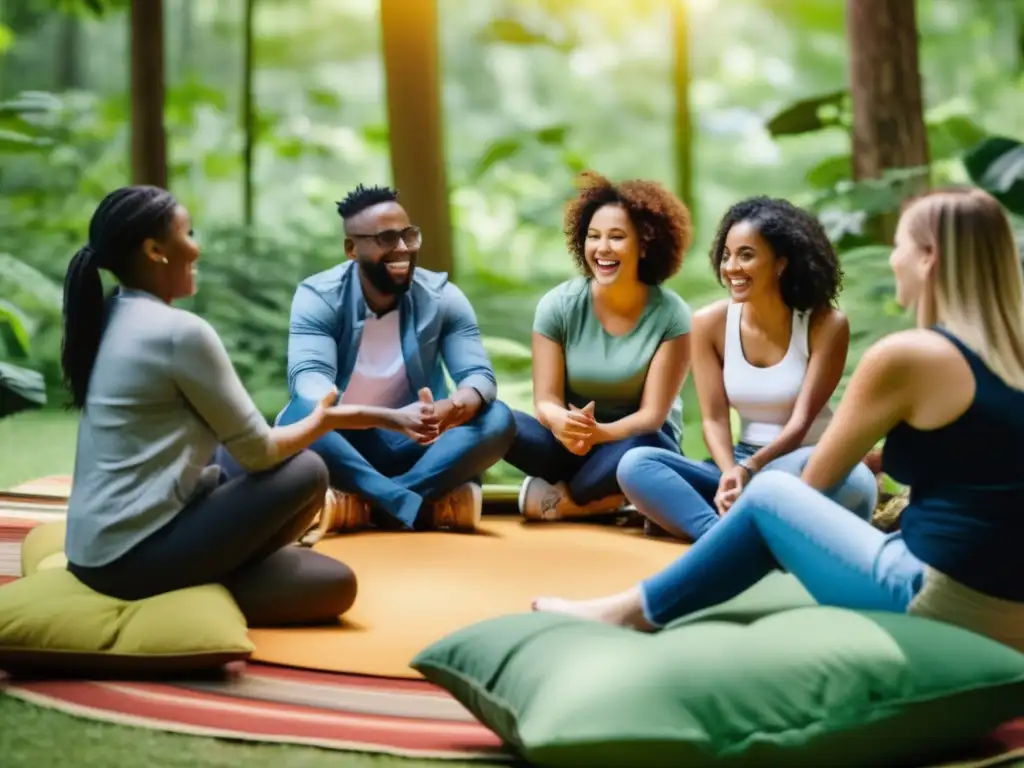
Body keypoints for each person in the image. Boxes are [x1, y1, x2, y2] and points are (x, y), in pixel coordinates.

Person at [532, 187, 1024, 655]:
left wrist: (751, 481)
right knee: (674, 471)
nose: (893, 258)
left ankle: (625, 613)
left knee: (772, 496)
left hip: (935, 600)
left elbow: (811, 484)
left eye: (898, 245)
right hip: (1012, 615)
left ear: (928, 257)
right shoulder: (1012, 359)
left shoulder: (907, 356)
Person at [62, 186, 365, 627]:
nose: (196, 246)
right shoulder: (178, 333)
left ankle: (214, 565)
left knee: (232, 462)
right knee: (309, 475)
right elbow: (259, 452)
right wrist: (320, 421)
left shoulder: (112, 314)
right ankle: (207, 580)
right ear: (155, 250)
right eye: (188, 232)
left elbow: (239, 445)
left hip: (90, 549)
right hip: (127, 563)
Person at [616, 197, 877, 542]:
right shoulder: (709, 324)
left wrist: (750, 470)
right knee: (636, 464)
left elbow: (800, 424)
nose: (731, 267)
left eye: (746, 255)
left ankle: (726, 525)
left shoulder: (824, 324)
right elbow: (714, 419)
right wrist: (729, 474)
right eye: (726, 255)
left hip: (809, 462)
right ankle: (720, 537)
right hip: (742, 462)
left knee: (838, 485)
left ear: (781, 263)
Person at [278, 184, 515, 537]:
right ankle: (417, 503)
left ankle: (375, 500)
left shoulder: (443, 297)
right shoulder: (318, 298)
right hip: (351, 442)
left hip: (421, 443)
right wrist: (388, 418)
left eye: (408, 236)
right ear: (351, 249)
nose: (402, 249)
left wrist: (452, 407)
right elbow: (310, 387)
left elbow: (478, 376)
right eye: (387, 239)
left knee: (497, 417)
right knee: (296, 415)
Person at [502, 172, 694, 521]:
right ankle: (604, 496)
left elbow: (652, 417)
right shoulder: (558, 305)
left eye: (617, 237)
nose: (602, 248)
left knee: (642, 450)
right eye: (594, 237)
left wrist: (598, 434)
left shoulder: (672, 314)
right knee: (499, 421)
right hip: (568, 442)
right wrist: (564, 423)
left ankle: (572, 501)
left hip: (635, 442)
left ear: (645, 243)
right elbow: (545, 400)